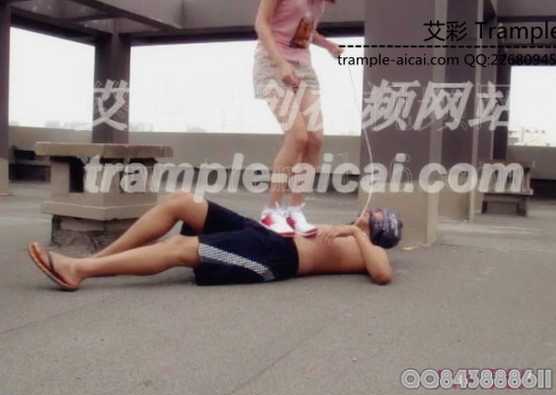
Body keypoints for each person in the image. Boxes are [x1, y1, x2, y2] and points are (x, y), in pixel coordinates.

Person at [27, 193, 403, 291]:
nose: (366, 214)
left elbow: (383, 274)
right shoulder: (353, 233)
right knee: (182, 202)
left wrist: (356, 232)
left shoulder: (367, 248)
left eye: (372, 217)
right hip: (264, 233)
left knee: (178, 249)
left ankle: (79, 270)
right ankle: (103, 258)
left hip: (275, 256)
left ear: (378, 231)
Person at [253, 0, 343, 237]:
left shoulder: (320, 4)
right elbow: (261, 24)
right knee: (297, 136)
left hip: (303, 68)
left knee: (315, 138)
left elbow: (306, 31)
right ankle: (271, 210)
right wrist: (280, 63)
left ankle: (295, 210)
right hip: (272, 64)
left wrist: (328, 45)